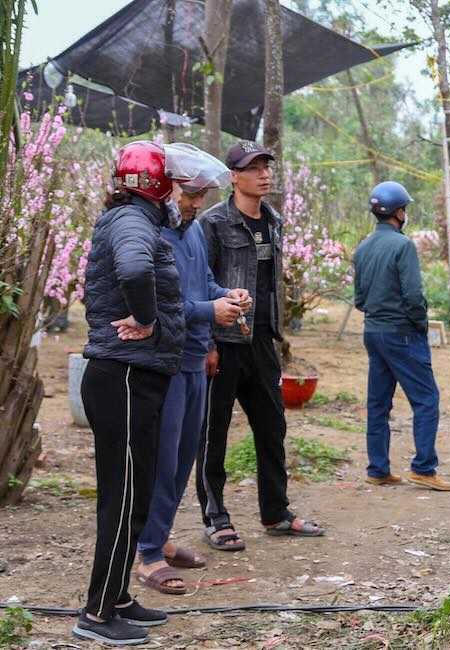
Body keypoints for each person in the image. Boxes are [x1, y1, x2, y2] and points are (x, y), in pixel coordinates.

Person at [74, 141, 188, 645]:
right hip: (122, 374)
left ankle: (118, 596)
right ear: (156, 182)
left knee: (135, 490)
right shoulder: (130, 222)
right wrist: (145, 319)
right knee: (121, 497)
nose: (179, 187)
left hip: (135, 374)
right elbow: (136, 270)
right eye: (173, 179)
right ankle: (97, 615)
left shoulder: (138, 217)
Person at [134, 144, 252, 595]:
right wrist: (210, 309)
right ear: (165, 189)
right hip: (163, 361)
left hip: (194, 359)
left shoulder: (194, 232)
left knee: (183, 458)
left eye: (202, 195)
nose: (195, 203)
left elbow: (203, 285)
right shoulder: (152, 236)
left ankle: (159, 539)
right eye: (189, 194)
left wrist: (229, 295)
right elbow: (161, 305)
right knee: (160, 459)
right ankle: (145, 555)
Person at [197, 140, 324, 552]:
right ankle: (215, 516)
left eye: (266, 165)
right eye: (253, 168)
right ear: (234, 176)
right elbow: (200, 285)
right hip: (224, 343)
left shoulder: (273, 220)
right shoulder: (213, 224)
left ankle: (276, 512)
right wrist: (206, 344)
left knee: (272, 429)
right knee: (213, 434)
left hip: (263, 342)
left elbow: (268, 283)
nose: (263, 173)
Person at [353, 181, 450, 491]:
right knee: (426, 399)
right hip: (402, 334)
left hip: (373, 332)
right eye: (405, 209)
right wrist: (420, 324)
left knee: (379, 403)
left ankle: (378, 468)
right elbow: (413, 294)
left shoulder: (363, 247)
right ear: (399, 212)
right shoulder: (402, 245)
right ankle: (423, 468)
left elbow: (358, 299)